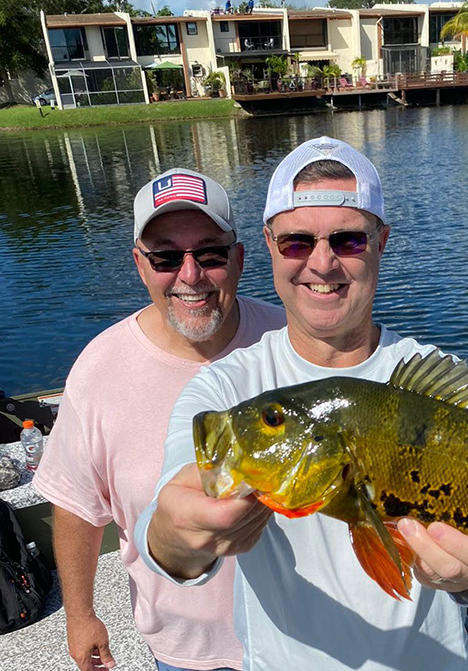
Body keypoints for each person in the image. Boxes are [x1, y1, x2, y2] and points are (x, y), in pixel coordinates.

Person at [135, 138, 468, 670]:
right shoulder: (225, 390)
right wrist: (177, 536)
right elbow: (166, 526)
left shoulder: (437, 382)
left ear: (381, 242)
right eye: (296, 242)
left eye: (348, 240)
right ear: (269, 245)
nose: (321, 262)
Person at [33, 169, 285, 671]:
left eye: (210, 254)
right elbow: (77, 505)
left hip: (298, 637)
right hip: (186, 651)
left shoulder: (290, 342)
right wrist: (80, 616)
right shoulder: (99, 370)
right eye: (166, 258)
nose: (190, 275)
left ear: (238, 258)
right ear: (140, 266)